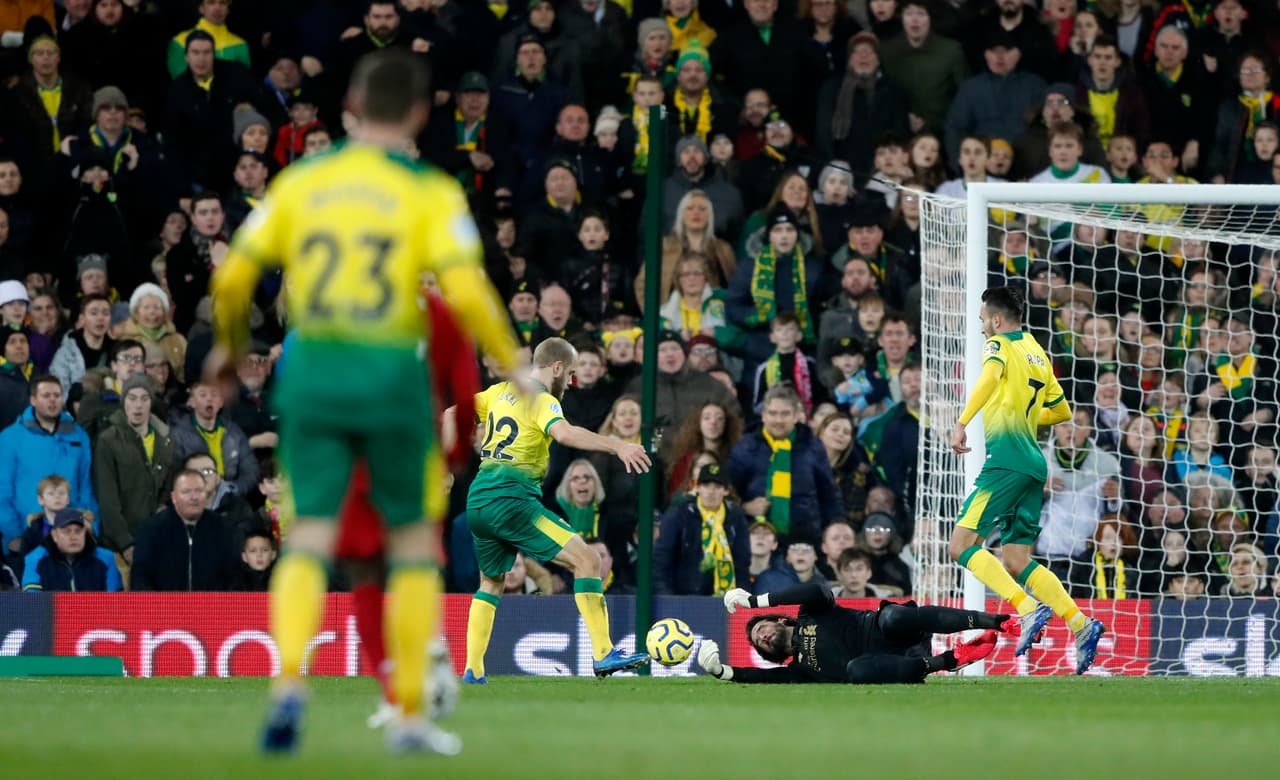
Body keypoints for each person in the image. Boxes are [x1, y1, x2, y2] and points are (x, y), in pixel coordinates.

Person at [207, 49, 520, 755]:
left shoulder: (301, 180)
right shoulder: (431, 190)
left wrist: (229, 345)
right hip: (389, 378)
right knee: (410, 546)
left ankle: (289, 683)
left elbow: (234, 278)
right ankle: (408, 714)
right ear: (417, 113)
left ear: (349, 103)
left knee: (310, 534)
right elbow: (466, 291)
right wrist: (516, 358)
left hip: (312, 371)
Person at [457, 337, 652, 684]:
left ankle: (473, 670)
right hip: (511, 499)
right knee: (588, 561)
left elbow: (450, 414)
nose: (573, 382)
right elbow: (563, 434)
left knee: (490, 581)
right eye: (572, 373)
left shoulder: (498, 392)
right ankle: (604, 652)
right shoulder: (542, 399)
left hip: (478, 499)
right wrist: (617, 445)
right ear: (557, 367)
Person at [948, 286, 1105, 676]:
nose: (982, 327)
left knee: (961, 545)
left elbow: (988, 378)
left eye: (984, 320)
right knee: (1017, 558)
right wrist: (1023, 415)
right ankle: (1080, 623)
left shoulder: (999, 346)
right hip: (1035, 462)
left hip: (1007, 460)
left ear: (997, 320)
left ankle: (1027, 607)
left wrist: (962, 422)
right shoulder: (1036, 351)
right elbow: (1062, 410)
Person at [696, 582, 1009, 683]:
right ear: (768, 653)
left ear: (782, 621)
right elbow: (761, 679)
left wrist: (754, 601)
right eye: (758, 642)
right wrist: (722, 671)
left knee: (890, 618)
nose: (762, 636)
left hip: (896, 628)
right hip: (901, 663)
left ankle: (997, 621)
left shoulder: (810, 611)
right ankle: (951, 659)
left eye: (762, 628)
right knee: (855, 670)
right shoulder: (799, 672)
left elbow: (815, 589)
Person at [130, 468, 237, 593]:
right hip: (164, 609)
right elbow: (140, 578)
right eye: (186, 492)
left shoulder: (224, 528)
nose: (193, 497)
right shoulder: (151, 529)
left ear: (206, 495)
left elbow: (234, 578)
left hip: (212, 608)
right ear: (174, 497)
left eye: (199, 491)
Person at [654, 463, 751, 596]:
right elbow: (661, 559)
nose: (711, 492)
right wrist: (668, 598)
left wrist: (742, 600)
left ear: (726, 491)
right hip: (683, 598)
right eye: (706, 486)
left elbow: (742, 564)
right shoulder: (680, 514)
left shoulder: (736, 517)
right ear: (697, 487)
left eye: (717, 487)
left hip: (725, 599)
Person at [21, 507, 121, 592]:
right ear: (55, 535)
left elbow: (115, 603)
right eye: (66, 531)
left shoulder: (106, 558)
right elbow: (32, 604)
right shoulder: (35, 559)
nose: (73, 537)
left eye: (78, 531)